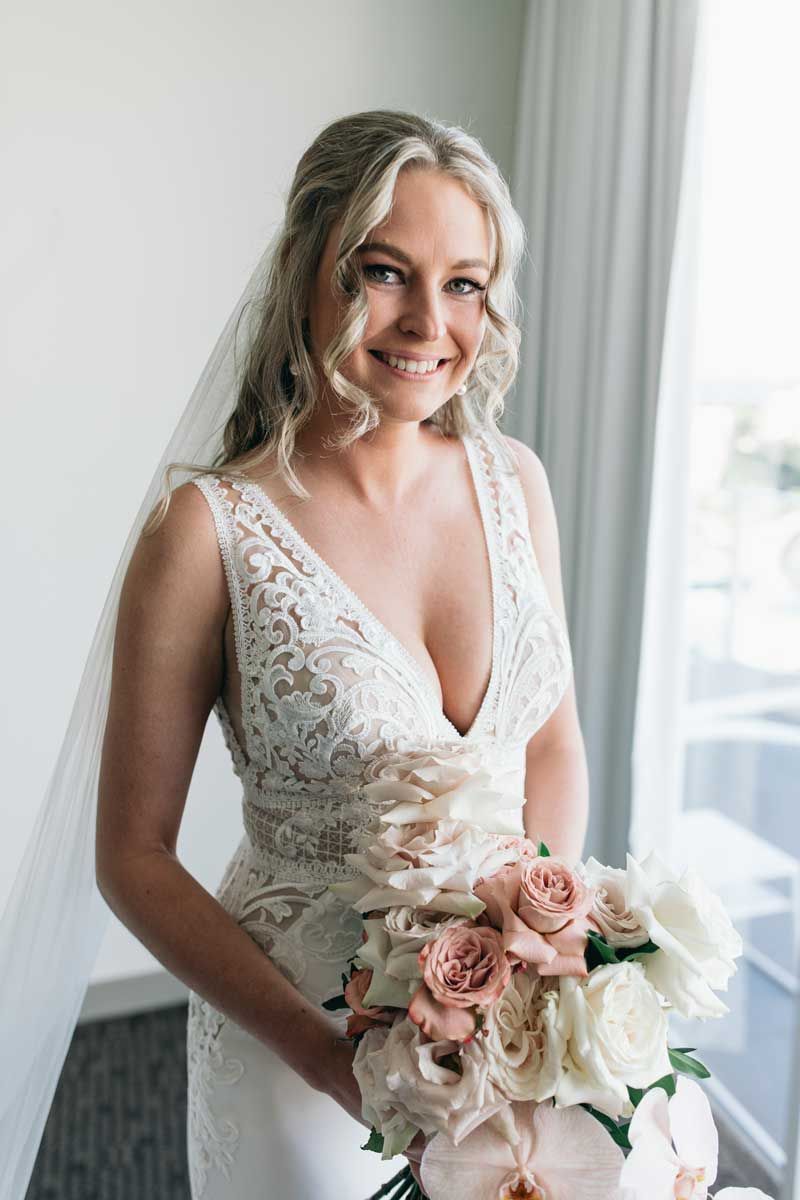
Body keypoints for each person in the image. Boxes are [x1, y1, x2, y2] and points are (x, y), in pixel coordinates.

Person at [2, 109, 587, 1200]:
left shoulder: (516, 482)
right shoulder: (207, 532)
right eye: (383, 271)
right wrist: (332, 1063)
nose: (427, 321)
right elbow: (132, 857)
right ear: (305, 271)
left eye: (463, 283)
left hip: (500, 1042)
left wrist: (528, 977)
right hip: (298, 1048)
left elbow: (549, 744)